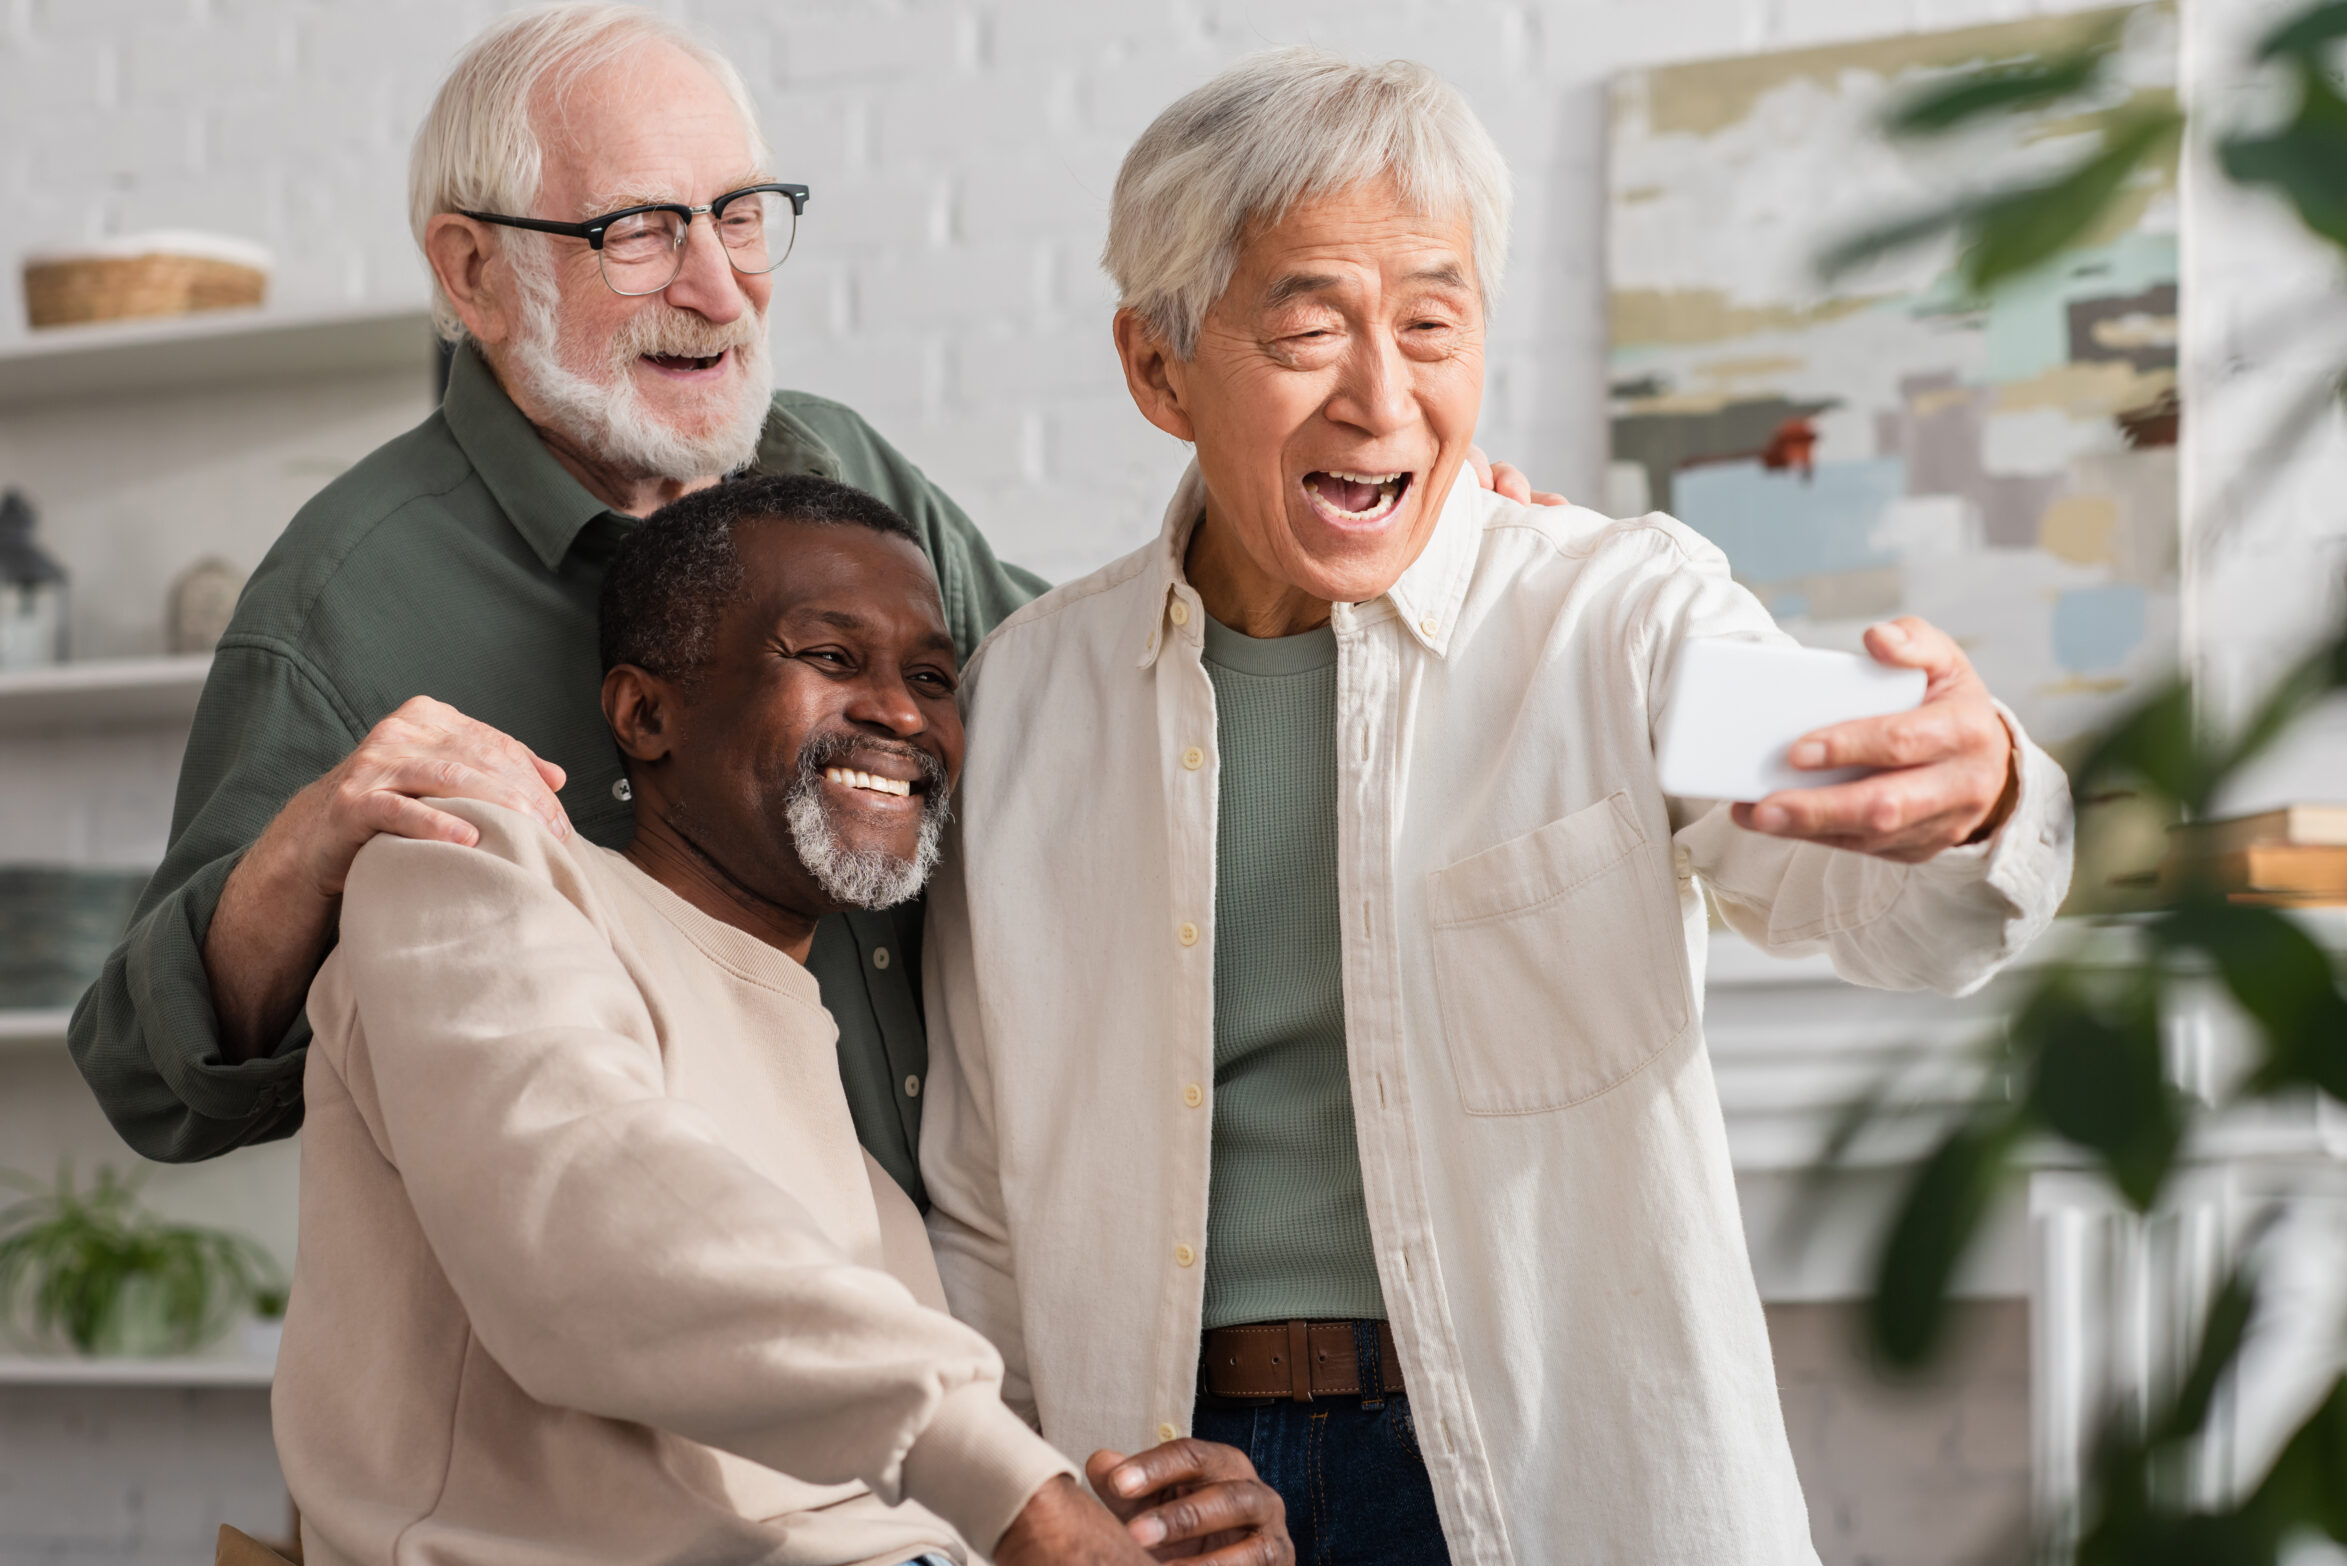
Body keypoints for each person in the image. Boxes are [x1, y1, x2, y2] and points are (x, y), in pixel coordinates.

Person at [921, 49, 2076, 1566]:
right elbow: (981, 1192)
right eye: (1310, 327)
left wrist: (1972, 795)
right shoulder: (1031, 693)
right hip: (1171, 1500)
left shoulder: (1618, 621)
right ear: (1159, 367)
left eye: (1435, 324)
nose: (1381, 395)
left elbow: (1890, 876)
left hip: (1530, 1488)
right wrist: (1031, 1526)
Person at [60, 2, 1555, 1207]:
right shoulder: (343, 598)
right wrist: (308, 846)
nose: (719, 287)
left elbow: (1099, 698)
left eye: (743, 218)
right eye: (639, 231)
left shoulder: (833, 463)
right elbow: (144, 1078)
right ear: (474, 267)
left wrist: (1388, 525)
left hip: (958, 1311)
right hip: (632, 1415)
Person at [279, 473, 1494, 1566]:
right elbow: (595, 1232)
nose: (901, 715)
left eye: (932, 676)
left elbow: (894, 1538)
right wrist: (1034, 1509)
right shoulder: (472, 880)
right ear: (645, 713)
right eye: (829, 654)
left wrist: (1145, 1561)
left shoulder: (865, 1172)